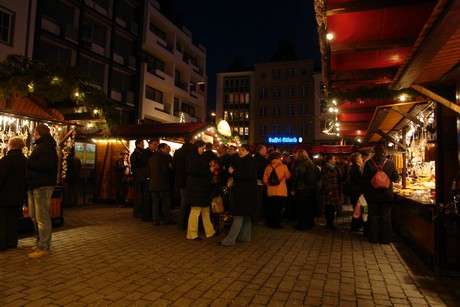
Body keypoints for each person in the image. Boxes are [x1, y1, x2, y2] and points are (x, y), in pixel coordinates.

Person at [26, 123, 58, 259]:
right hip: (35, 184)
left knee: (42, 217)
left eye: (35, 132)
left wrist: (28, 161)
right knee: (34, 216)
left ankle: (44, 247)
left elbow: (46, 165)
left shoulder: (47, 147)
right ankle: (40, 242)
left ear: (39, 133)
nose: (33, 135)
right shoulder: (41, 146)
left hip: (42, 185)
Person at [220, 144, 257, 246]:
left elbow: (247, 176)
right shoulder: (247, 160)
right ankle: (245, 237)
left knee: (238, 215)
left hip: (244, 193)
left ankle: (230, 240)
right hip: (247, 193)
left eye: (243, 150)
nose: (241, 151)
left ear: (248, 151)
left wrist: (234, 172)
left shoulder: (248, 161)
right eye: (240, 150)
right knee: (245, 216)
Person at [362, 144, 399, 244]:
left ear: (374, 151)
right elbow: (396, 178)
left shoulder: (369, 163)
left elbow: (364, 180)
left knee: (373, 216)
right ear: (384, 151)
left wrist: (363, 193)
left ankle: (373, 238)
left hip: (372, 194)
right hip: (386, 195)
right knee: (385, 216)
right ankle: (385, 239)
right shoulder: (390, 163)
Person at [185, 140, 216, 240]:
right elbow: (194, 170)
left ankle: (210, 231)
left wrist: (209, 164)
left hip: (202, 187)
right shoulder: (191, 156)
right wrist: (208, 170)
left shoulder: (201, 156)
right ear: (198, 147)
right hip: (195, 187)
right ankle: (192, 234)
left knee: (205, 210)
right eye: (202, 148)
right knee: (195, 210)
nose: (203, 150)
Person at [0, 137, 27, 252]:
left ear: (10, 145)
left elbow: (1, 177)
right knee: (13, 219)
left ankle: (1, 244)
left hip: (4, 196)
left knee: (2, 221)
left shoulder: (6, 160)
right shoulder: (25, 160)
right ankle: (12, 242)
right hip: (18, 195)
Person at [290, 149, 318, 230]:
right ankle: (310, 223)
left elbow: (294, 177)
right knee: (309, 207)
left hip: (301, 189)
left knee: (301, 208)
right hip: (311, 188)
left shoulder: (299, 164)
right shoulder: (311, 163)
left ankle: (302, 225)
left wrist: (292, 187)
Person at [148, 143, 175, 226]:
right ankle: (166, 219)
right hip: (162, 183)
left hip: (153, 183)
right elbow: (165, 170)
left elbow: (148, 170)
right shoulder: (163, 157)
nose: (167, 150)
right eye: (166, 148)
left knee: (155, 203)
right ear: (162, 148)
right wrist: (170, 169)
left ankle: (155, 220)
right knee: (165, 202)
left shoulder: (151, 157)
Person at [263, 151, 291, 229]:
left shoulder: (268, 167)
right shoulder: (283, 166)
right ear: (279, 158)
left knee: (271, 207)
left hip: (271, 191)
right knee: (279, 208)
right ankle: (277, 223)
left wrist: (269, 183)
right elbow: (288, 176)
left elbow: (265, 180)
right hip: (281, 190)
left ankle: (271, 223)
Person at [173, 134, 195, 230]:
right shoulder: (192, 151)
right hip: (190, 179)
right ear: (192, 140)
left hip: (180, 180)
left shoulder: (178, 152)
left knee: (183, 202)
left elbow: (174, 166)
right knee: (189, 203)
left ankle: (180, 224)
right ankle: (187, 224)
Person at [321, 154, 342, 230]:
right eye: (334, 159)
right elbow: (325, 180)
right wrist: (329, 190)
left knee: (332, 208)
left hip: (335, 190)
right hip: (330, 191)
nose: (335, 160)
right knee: (329, 208)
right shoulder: (326, 168)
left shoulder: (336, 168)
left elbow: (339, 178)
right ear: (329, 160)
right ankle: (329, 224)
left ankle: (330, 223)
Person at [130, 139, 147, 218]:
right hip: (138, 177)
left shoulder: (141, 153)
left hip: (141, 177)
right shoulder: (135, 155)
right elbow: (135, 167)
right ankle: (137, 212)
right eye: (142, 143)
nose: (144, 145)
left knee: (141, 195)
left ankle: (140, 211)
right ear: (138, 144)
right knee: (139, 195)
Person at [348, 152, 364, 231]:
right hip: (356, 192)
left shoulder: (355, 168)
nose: (362, 159)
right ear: (357, 160)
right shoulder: (356, 169)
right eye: (361, 158)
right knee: (357, 209)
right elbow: (359, 180)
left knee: (356, 208)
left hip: (354, 191)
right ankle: (355, 226)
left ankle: (356, 225)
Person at [254, 144, 268, 223]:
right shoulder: (260, 159)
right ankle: (256, 218)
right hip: (259, 182)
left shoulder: (257, 158)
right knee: (258, 201)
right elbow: (261, 170)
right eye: (265, 150)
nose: (266, 151)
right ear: (261, 150)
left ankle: (256, 217)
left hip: (257, 181)